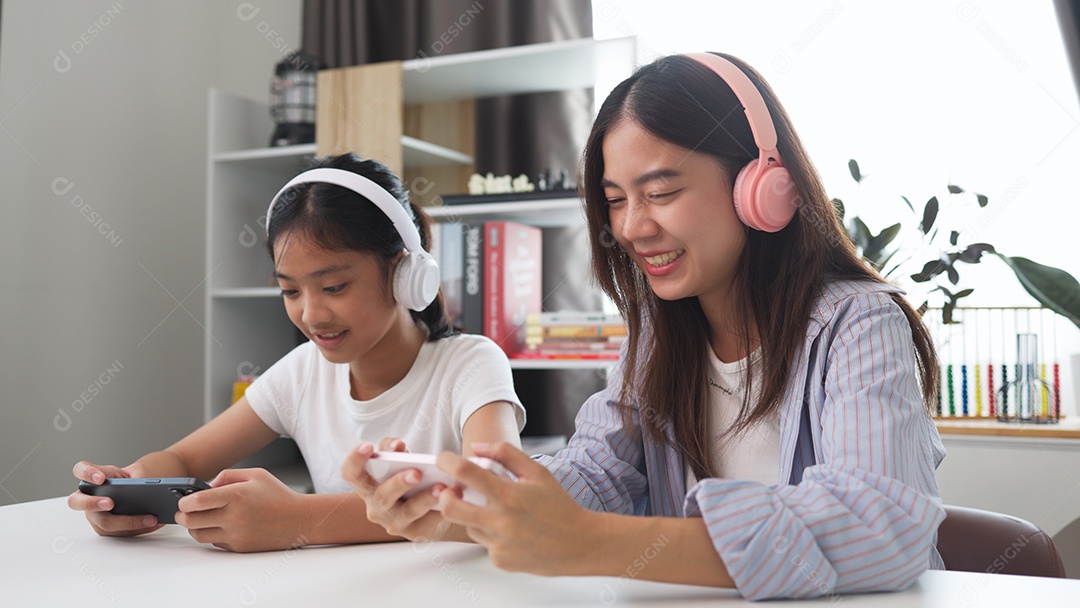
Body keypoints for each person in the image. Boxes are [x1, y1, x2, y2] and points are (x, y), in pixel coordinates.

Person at [343, 52, 946, 600]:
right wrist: (461, 505)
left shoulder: (857, 323)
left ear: (760, 186)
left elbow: (879, 527)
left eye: (659, 192)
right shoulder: (657, 337)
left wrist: (594, 544)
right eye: (615, 199)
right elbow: (594, 473)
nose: (631, 228)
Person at [68, 153, 525, 552]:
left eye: (333, 286)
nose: (312, 314)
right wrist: (127, 487)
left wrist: (300, 520)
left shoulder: (471, 365)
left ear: (407, 273)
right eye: (289, 291)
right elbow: (185, 461)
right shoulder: (303, 372)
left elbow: (497, 495)